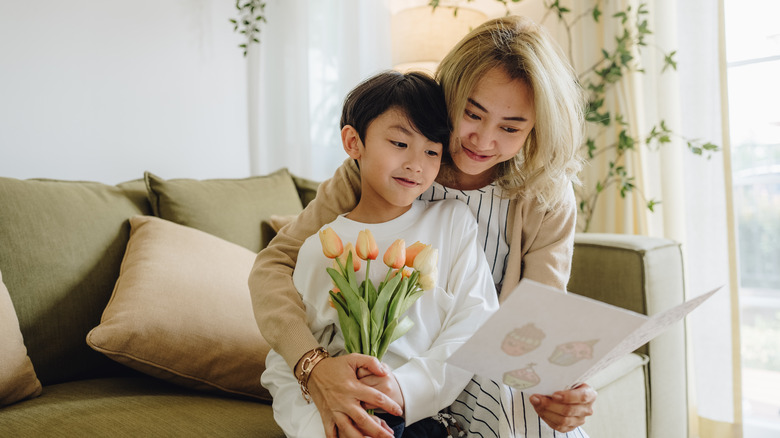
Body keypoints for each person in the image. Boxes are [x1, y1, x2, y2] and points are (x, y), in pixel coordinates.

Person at [249, 15, 597, 438]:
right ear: (450, 95)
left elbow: (539, 317)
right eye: (472, 113)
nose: (483, 140)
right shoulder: (379, 172)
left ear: (536, 128)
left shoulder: (545, 194)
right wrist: (313, 365)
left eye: (511, 127)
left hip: (474, 372)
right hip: (395, 376)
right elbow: (274, 267)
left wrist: (563, 391)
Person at [260, 69, 500, 438]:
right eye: (400, 144)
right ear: (353, 142)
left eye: (432, 150)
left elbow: (476, 322)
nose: (416, 164)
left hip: (424, 416)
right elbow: (282, 363)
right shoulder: (321, 245)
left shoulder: (452, 222)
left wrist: (406, 390)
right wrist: (323, 427)